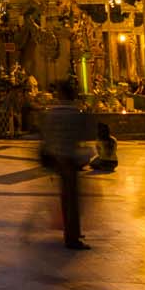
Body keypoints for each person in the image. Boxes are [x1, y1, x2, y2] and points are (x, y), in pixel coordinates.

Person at [37, 81, 94, 250]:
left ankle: (71, 231)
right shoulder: (77, 114)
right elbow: (88, 134)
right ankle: (72, 236)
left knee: (65, 197)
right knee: (72, 199)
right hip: (71, 159)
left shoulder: (51, 114)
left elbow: (45, 135)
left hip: (57, 158)